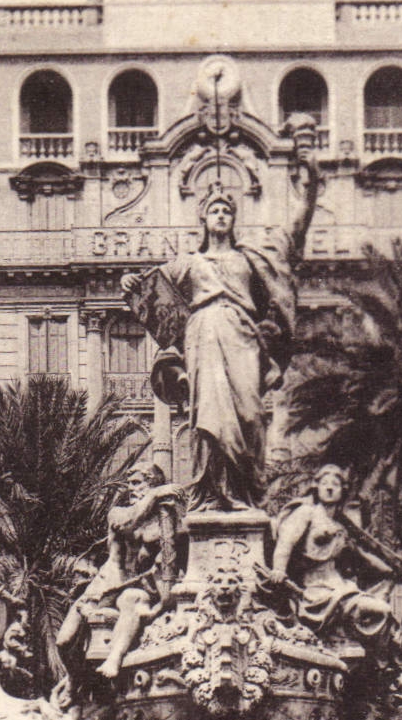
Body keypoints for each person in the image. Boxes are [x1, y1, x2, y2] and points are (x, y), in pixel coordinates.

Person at [121, 148, 320, 511]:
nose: (221, 215)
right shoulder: (189, 263)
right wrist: (129, 281)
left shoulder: (249, 259)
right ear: (203, 218)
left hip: (243, 337)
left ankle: (245, 495)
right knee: (207, 417)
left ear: (234, 219)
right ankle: (211, 498)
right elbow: (152, 291)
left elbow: (295, 233)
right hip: (203, 334)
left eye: (227, 210)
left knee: (249, 416)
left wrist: (309, 182)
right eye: (214, 210)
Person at [265, 464, 402, 657]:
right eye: (325, 483)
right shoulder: (306, 513)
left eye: (335, 484)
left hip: (340, 587)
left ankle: (390, 659)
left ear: (342, 490)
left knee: (381, 610)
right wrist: (279, 569)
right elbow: (285, 542)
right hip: (315, 591)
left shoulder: (342, 527)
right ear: (316, 487)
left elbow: (364, 559)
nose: (329, 488)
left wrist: (398, 573)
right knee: (379, 609)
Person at [55, 465, 180, 678]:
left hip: (139, 585)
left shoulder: (164, 520)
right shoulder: (118, 513)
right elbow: (128, 523)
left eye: (136, 483)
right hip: (106, 583)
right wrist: (155, 494)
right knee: (63, 640)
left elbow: (173, 553)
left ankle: (114, 659)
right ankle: (75, 683)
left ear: (152, 483)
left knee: (131, 600)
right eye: (130, 483)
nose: (130, 488)